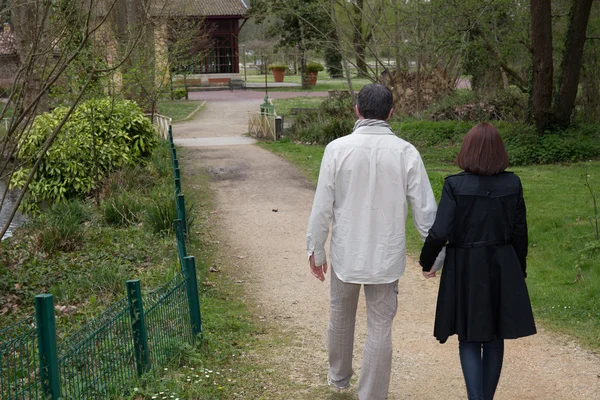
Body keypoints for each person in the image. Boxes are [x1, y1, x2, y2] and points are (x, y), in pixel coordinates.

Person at [306, 83, 443, 399]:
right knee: (380, 326)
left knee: (340, 316)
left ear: (357, 110)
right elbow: (425, 208)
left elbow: (322, 205)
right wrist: (434, 257)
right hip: (386, 255)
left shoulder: (337, 149)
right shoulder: (406, 152)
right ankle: (370, 394)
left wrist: (316, 250)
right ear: (391, 113)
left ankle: (339, 378)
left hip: (345, 254)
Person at [419, 122, 537, 400]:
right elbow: (520, 231)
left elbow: (440, 231)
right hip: (502, 263)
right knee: (495, 337)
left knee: (469, 337)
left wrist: (427, 261)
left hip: (466, 266)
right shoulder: (512, 183)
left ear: (467, 150)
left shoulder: (455, 185)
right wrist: (518, 267)